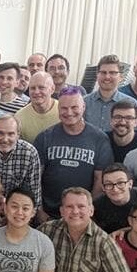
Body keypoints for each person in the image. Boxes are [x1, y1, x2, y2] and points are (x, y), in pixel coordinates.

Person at [34, 88, 113, 220]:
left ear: (83, 107)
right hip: (48, 214)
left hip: (81, 215)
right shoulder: (45, 137)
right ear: (58, 109)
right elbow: (35, 178)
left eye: (74, 107)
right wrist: (40, 211)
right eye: (64, 108)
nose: (69, 112)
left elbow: (100, 181)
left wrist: (87, 212)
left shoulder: (99, 138)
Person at [82, 55, 137, 132]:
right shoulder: (84, 102)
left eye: (112, 73)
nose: (107, 77)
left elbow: (132, 133)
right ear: (97, 75)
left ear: (120, 77)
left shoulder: (131, 103)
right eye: (103, 72)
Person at [15, 72, 59, 143]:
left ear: (52, 89)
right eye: (32, 88)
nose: (36, 92)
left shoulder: (63, 111)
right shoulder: (19, 117)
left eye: (41, 88)